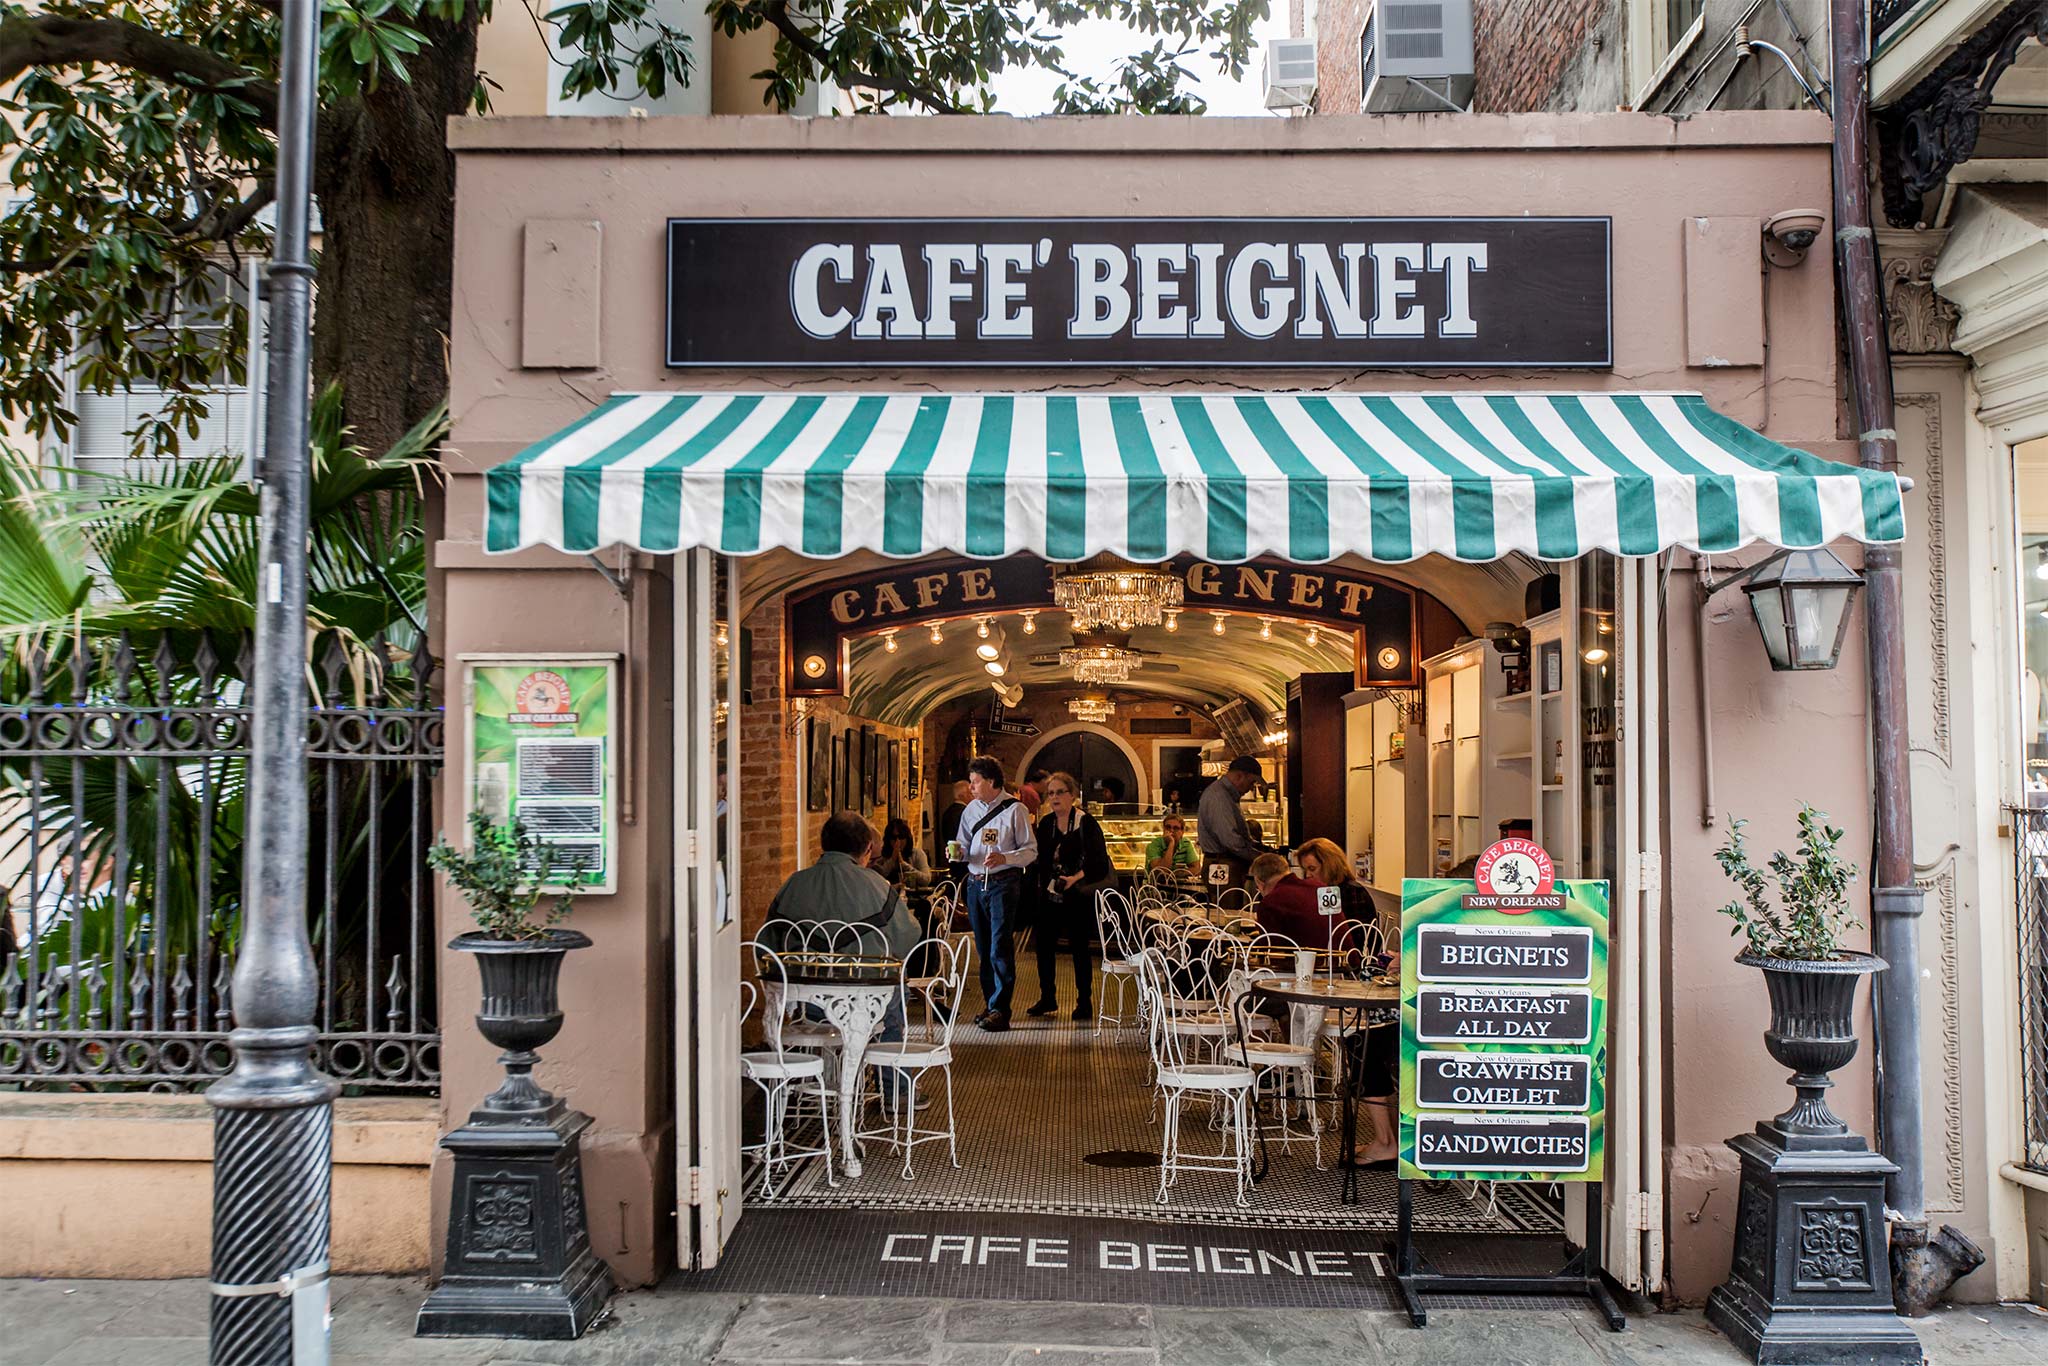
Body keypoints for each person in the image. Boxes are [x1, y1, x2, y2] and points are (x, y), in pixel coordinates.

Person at [760, 811, 923, 1066]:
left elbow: (767, 943)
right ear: (868, 848)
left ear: (823, 843)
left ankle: (808, 1078)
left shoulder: (793, 884)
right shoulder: (879, 886)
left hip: (808, 1000)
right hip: (865, 999)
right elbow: (908, 937)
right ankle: (895, 1089)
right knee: (895, 990)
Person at [958, 755, 1036, 1031]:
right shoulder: (970, 811)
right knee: (983, 947)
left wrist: (1006, 858)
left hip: (1003, 884)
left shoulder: (1015, 811)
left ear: (991, 781)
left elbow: (1030, 850)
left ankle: (1001, 1009)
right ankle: (991, 1003)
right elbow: (964, 844)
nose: (971, 787)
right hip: (976, 883)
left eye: (975, 782)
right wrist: (956, 852)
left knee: (999, 946)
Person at [1026, 771, 1111, 1023]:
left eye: (1059, 792)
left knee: (1079, 949)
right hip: (1051, 894)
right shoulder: (1046, 824)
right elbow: (1039, 858)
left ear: (1072, 795)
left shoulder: (1086, 823)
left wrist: (1075, 877)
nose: (1054, 797)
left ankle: (1084, 1001)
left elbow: (1099, 862)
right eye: (1050, 793)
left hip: (1077, 895)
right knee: (1044, 947)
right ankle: (1047, 997)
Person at [1196, 755, 1271, 891]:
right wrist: (1259, 857)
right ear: (1239, 776)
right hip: (1222, 865)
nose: (1251, 788)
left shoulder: (1225, 795)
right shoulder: (1219, 797)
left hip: (1227, 864)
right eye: (1251, 782)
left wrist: (1256, 847)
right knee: (1228, 911)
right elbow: (1230, 840)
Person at [1247, 851, 1334, 949]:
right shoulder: (1320, 887)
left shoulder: (1270, 903)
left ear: (1260, 883)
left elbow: (1271, 952)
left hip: (1314, 962)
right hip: (1345, 958)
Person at [1295, 837, 1372, 924]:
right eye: (1305, 870)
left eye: (1312, 869)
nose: (1307, 875)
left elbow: (1357, 934)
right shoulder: (1319, 891)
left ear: (1329, 866)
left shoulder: (1352, 892)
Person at [874, 817, 932, 891]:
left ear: (907, 838)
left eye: (901, 837)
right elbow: (879, 876)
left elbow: (926, 880)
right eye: (894, 838)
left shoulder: (917, 854)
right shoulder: (881, 855)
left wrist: (904, 865)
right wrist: (892, 859)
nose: (898, 842)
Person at [1143, 814, 1199, 881]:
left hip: (1177, 886)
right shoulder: (1154, 845)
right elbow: (1162, 871)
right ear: (1163, 829)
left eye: (1176, 828)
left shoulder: (1186, 844)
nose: (1171, 830)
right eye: (1168, 827)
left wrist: (1177, 873)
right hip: (1154, 887)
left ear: (1182, 832)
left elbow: (1197, 869)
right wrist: (1171, 844)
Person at [936, 779, 971, 882]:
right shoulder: (966, 813)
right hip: (965, 862)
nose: (972, 796)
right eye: (970, 793)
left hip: (952, 859)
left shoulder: (947, 812)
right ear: (962, 795)